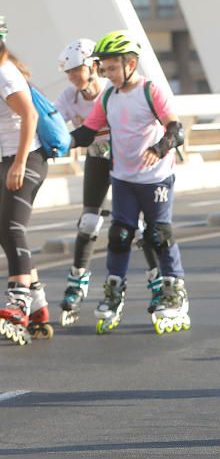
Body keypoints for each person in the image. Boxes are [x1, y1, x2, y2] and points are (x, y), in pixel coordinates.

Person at [68, 30, 190, 335]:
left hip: (155, 178)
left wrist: (158, 149)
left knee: (158, 234)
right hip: (123, 177)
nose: (107, 75)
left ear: (131, 64)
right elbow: (87, 133)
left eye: (112, 68)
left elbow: (176, 130)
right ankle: (114, 290)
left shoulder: (151, 91)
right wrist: (52, 145)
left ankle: (174, 290)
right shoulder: (108, 96)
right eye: (104, 69)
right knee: (120, 234)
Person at [53, 38, 161, 325]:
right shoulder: (69, 96)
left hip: (127, 159)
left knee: (135, 228)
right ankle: (77, 283)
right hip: (98, 158)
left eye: (79, 69)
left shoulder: (112, 90)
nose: (75, 77)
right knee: (89, 222)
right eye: (70, 73)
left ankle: (158, 283)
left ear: (94, 66)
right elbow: (55, 123)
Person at [0, 16, 51, 345]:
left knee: (13, 227)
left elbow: (29, 115)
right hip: (8, 159)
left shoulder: (4, 73)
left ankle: (19, 301)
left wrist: (19, 163)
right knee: (3, 229)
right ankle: (39, 307)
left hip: (26, 159)